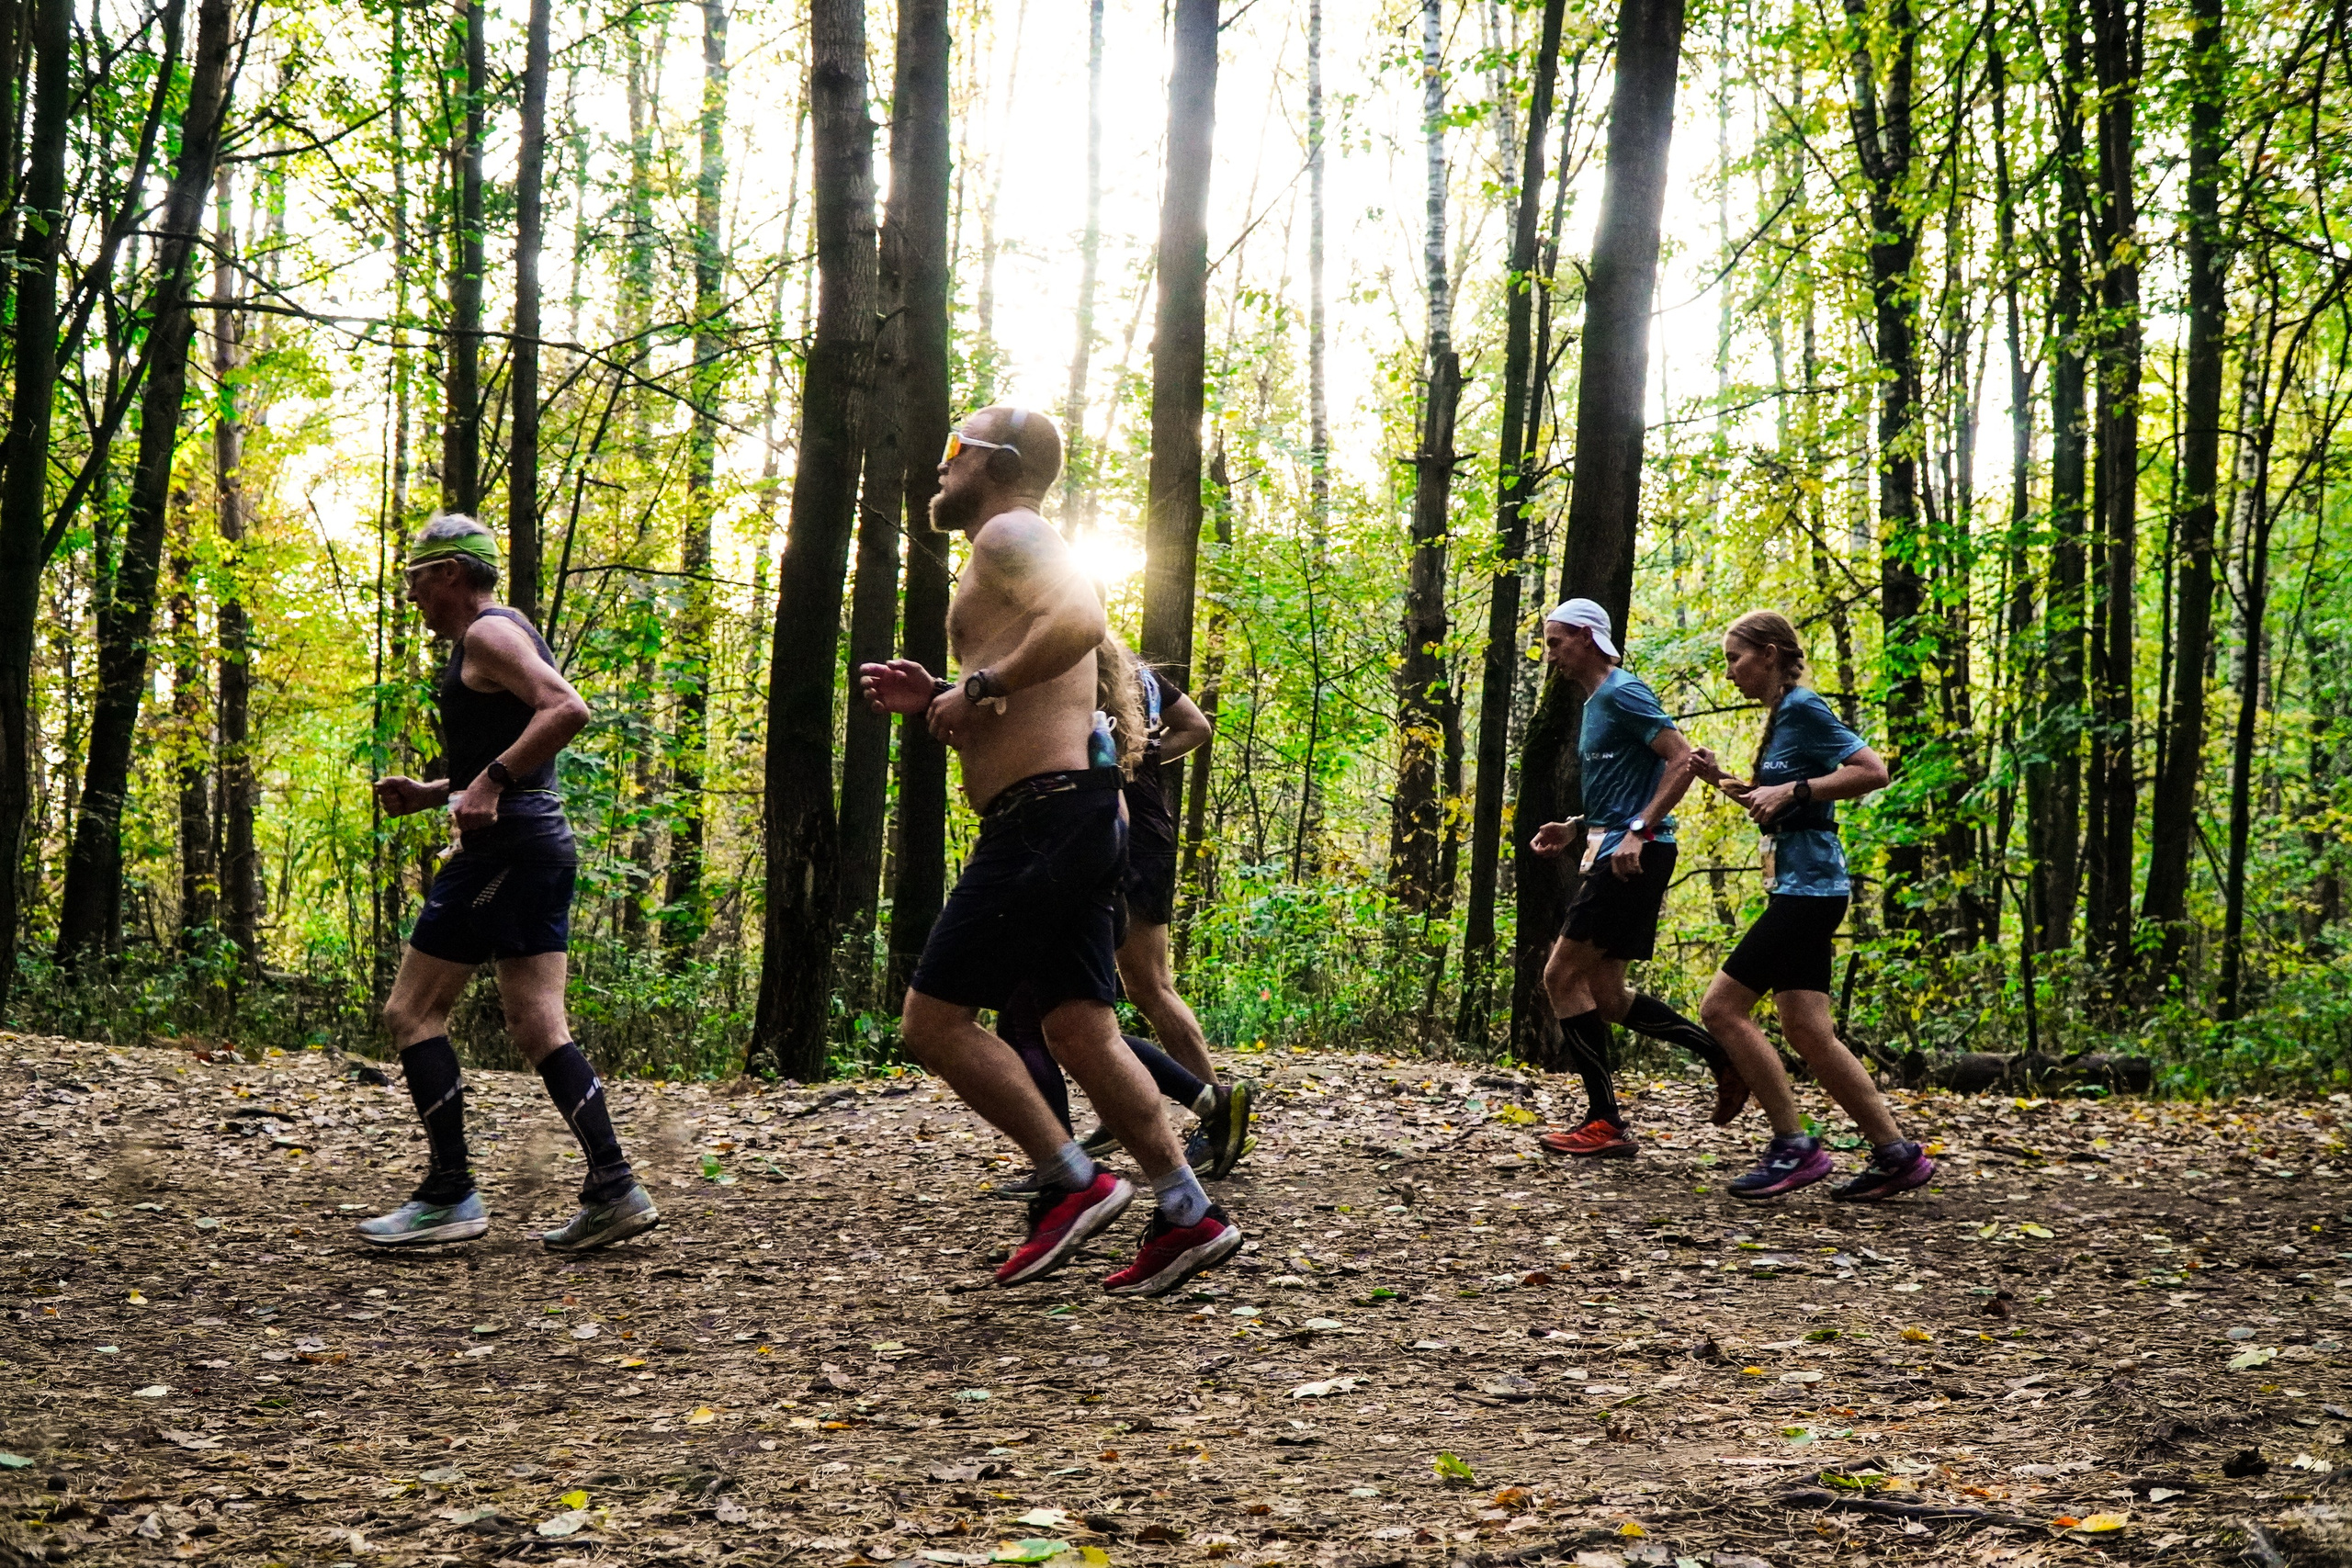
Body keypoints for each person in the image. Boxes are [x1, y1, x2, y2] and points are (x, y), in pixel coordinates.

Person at [858, 405, 1244, 1297]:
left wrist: (980, 682)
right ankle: (1188, 1213)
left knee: (933, 1022)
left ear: (995, 462)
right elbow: (1033, 683)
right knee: (1079, 1028)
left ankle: (1073, 1183)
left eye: (952, 450)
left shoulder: (1013, 532)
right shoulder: (1008, 547)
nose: (939, 468)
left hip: (1044, 820)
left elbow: (1078, 618)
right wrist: (945, 695)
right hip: (1078, 816)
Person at [359, 514, 660, 1252]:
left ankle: (448, 1192)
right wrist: (440, 791)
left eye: (418, 580)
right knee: (538, 1025)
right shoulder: (508, 628)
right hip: (538, 844)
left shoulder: (488, 634)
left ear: (453, 573)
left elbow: (567, 709)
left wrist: (489, 783)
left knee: (411, 1012)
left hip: (505, 849)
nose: (413, 596)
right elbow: (518, 740)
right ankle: (615, 1186)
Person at [1689, 610, 1937, 1201]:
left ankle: (1793, 1146)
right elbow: (1770, 802)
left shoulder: (1803, 708)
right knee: (1808, 1029)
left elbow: (1872, 771)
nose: (1729, 673)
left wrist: (1797, 789)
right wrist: (1716, 778)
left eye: (1735, 658)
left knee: (1721, 1010)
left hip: (1810, 891)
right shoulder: (1780, 720)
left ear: (1771, 654)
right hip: (1802, 889)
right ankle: (1895, 1153)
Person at [1526, 599, 1749, 1158]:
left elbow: (1683, 760)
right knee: (1604, 993)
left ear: (1585, 636)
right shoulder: (1597, 702)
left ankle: (1604, 1121)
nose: (1550, 653)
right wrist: (1577, 826)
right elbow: (1629, 781)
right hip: (1612, 846)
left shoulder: (1623, 691)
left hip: (1634, 854)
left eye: (1556, 642)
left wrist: (1637, 831)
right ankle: (1722, 1057)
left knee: (1559, 976)